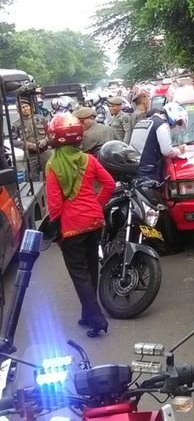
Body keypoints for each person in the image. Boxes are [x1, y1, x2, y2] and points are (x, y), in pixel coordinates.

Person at [45, 113, 115, 338]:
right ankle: (88, 314)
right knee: (91, 265)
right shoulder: (89, 159)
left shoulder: (53, 165)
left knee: (79, 274)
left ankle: (97, 320)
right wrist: (96, 203)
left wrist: (56, 232)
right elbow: (109, 184)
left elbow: (54, 206)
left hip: (71, 227)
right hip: (95, 221)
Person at [129, 102, 188, 181]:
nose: (175, 126)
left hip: (134, 167)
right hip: (148, 171)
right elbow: (167, 151)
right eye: (178, 122)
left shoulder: (144, 122)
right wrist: (179, 150)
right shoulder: (162, 125)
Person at [11, 99, 52, 181]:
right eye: (22, 107)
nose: (25, 109)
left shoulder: (41, 118)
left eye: (26, 106)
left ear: (31, 107)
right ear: (18, 110)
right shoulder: (16, 124)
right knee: (32, 178)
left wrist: (45, 140)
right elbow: (13, 141)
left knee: (50, 174)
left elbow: (51, 132)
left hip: (44, 151)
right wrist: (26, 145)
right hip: (30, 154)